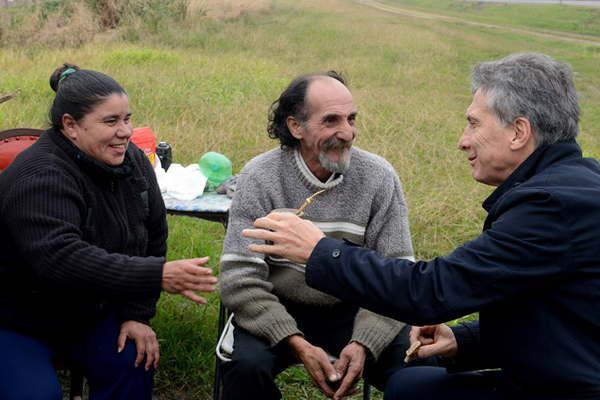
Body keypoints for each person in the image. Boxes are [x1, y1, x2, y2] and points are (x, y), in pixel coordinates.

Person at [243, 53, 600, 399]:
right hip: (562, 371)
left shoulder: (552, 207)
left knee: (410, 387)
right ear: (295, 127)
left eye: (474, 123)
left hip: (566, 388)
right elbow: (555, 320)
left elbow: (430, 291)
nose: (463, 140)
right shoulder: (572, 188)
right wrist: (465, 340)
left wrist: (319, 251)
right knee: (411, 387)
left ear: (519, 132)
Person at [0, 64, 217, 400]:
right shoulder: (39, 176)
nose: (126, 132)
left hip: (88, 316)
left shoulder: (131, 162)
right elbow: (62, 259)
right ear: (70, 125)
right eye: (111, 121)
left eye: (127, 119)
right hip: (17, 321)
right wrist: (156, 276)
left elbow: (152, 237)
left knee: (134, 361)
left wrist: (136, 314)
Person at [219, 71, 431, 400]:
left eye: (351, 118)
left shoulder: (377, 177)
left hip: (355, 307)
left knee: (419, 372)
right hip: (279, 304)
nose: (347, 133)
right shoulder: (260, 177)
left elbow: (397, 274)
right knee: (246, 368)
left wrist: (363, 344)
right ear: (295, 127)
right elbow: (239, 277)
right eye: (331, 121)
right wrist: (296, 342)